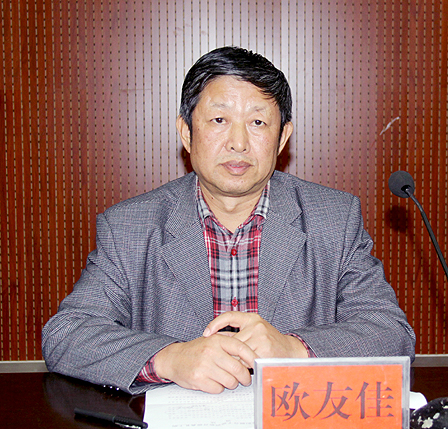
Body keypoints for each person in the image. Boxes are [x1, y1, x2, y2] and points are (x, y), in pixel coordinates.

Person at [42, 46, 415, 395]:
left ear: (282, 137)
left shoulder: (333, 218)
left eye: (257, 122)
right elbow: (66, 334)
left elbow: (391, 333)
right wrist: (169, 358)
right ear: (187, 132)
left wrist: (294, 349)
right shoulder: (129, 226)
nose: (238, 142)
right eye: (219, 119)